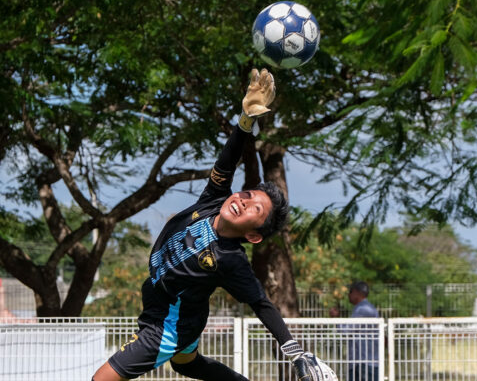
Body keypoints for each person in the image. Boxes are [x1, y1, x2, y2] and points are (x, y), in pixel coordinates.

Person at [93, 69, 336, 381]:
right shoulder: (213, 199)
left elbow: (262, 304)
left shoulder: (231, 259)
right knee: (186, 364)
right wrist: (246, 121)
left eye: (256, 209)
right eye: (247, 194)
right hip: (170, 306)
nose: (245, 201)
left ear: (253, 235)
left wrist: (294, 351)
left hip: (169, 324)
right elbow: (229, 157)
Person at [346, 281, 379, 381]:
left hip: (365, 362)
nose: (349, 295)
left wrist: (335, 319)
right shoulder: (363, 308)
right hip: (363, 361)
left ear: (357, 292)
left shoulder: (363, 309)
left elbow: (346, 330)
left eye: (350, 291)